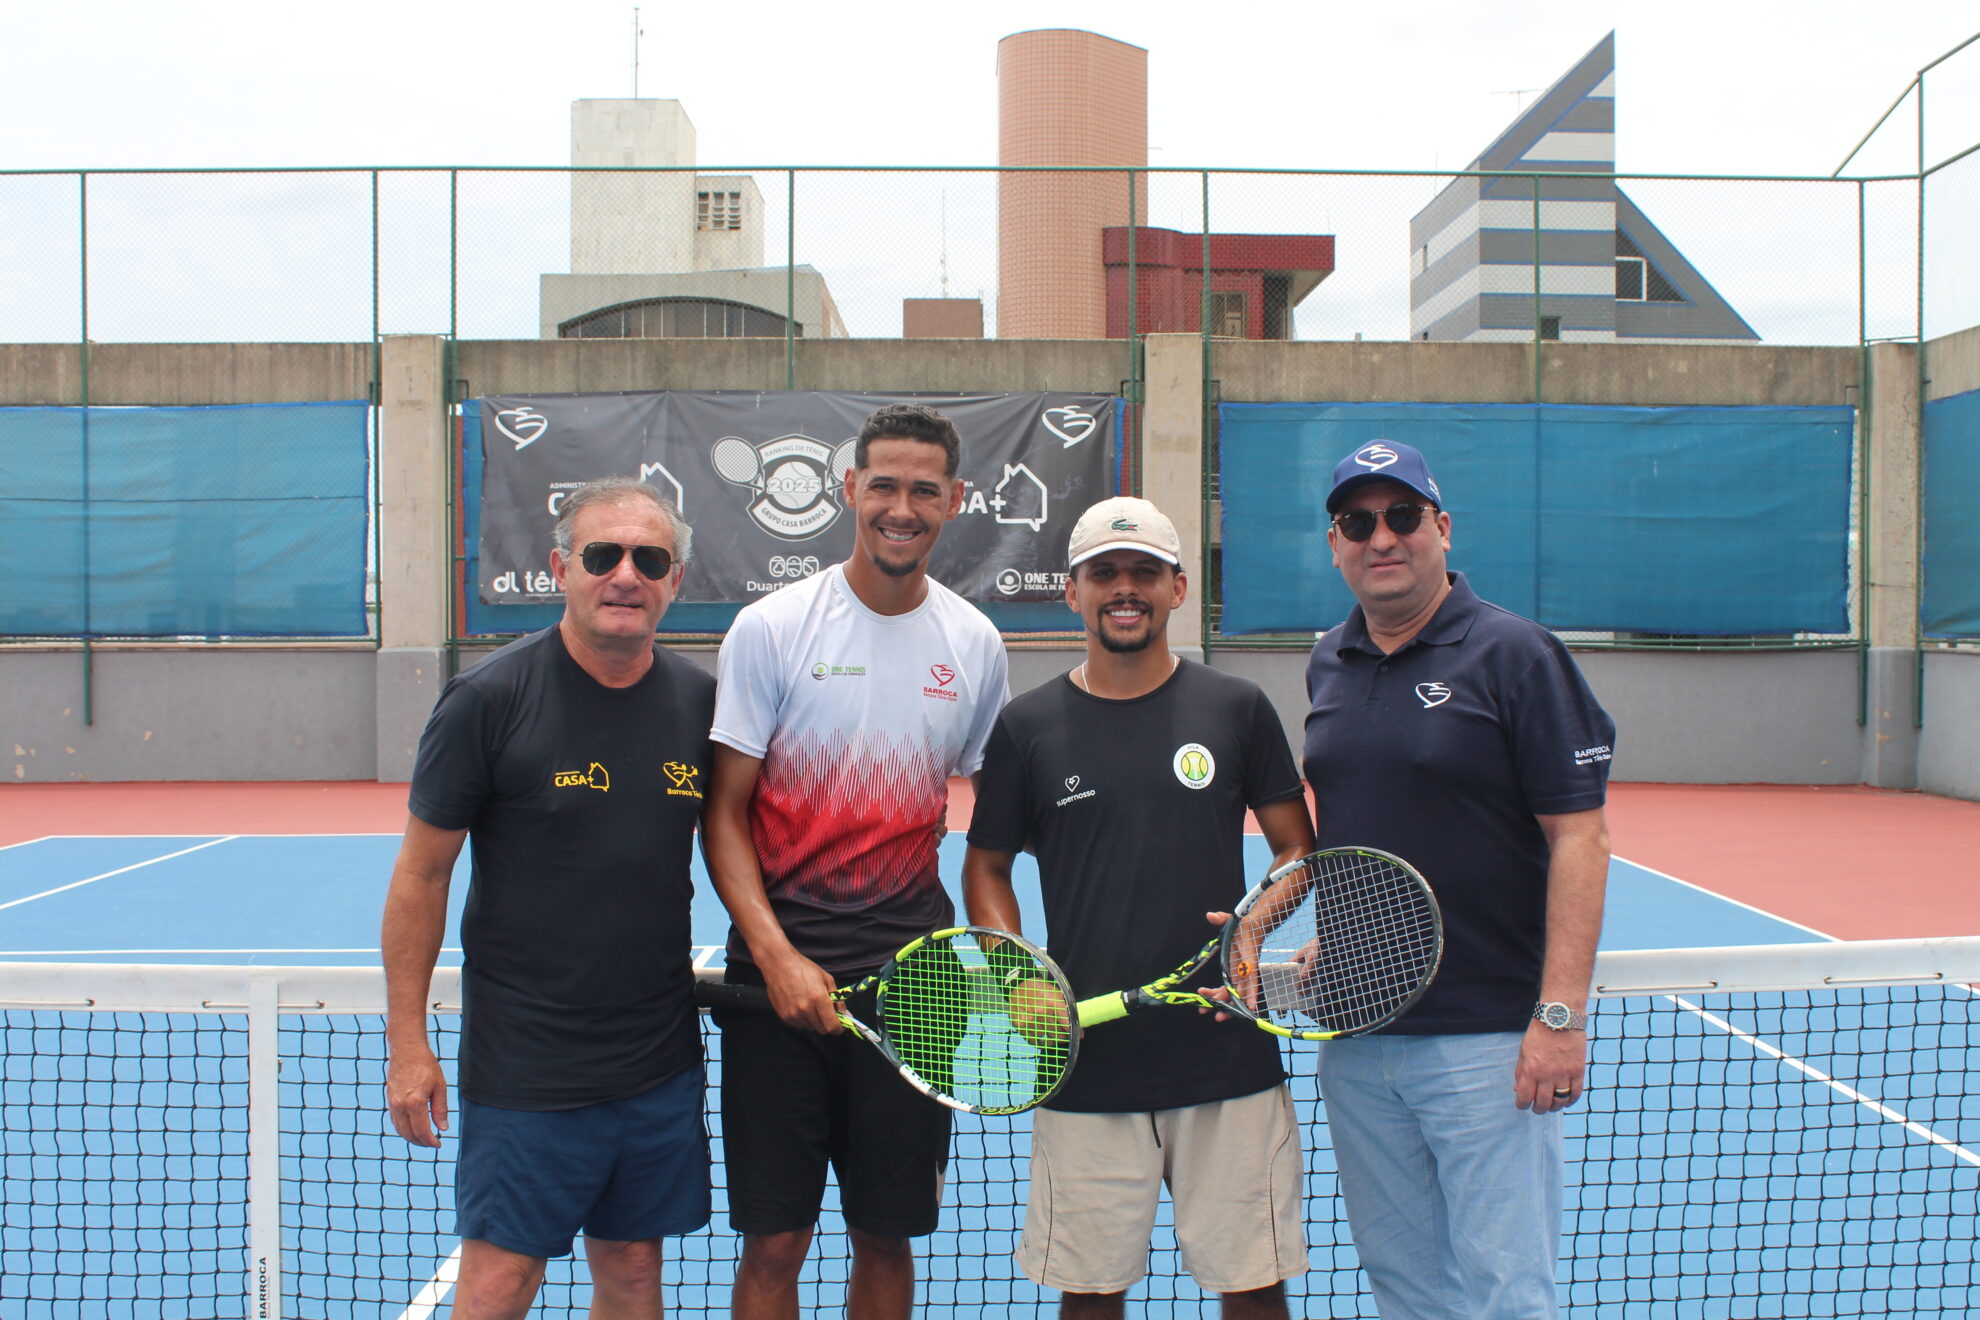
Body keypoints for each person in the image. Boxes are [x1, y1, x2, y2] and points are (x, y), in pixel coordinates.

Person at [963, 496, 1317, 1320]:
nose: (1125, 589)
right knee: (1090, 1299)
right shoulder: (1026, 727)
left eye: (1145, 573)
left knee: (1255, 1290)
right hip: (1086, 1058)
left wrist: (1252, 928)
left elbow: (1297, 850)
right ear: (1073, 591)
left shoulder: (1236, 708)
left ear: (1177, 588)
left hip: (1226, 1053)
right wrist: (1019, 974)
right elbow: (986, 867)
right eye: (1105, 574)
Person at [703, 402, 1010, 1320]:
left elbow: (991, 827)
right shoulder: (771, 628)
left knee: (885, 1237)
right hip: (772, 996)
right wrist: (778, 959)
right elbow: (723, 814)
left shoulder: (975, 644)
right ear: (849, 490)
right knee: (775, 1244)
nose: (900, 508)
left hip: (915, 993)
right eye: (883, 486)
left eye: (924, 490)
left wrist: (999, 960)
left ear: (955, 499)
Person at [381, 476, 715, 1320]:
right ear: (562, 569)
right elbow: (421, 875)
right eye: (603, 556)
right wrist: (408, 1044)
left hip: (658, 1054)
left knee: (634, 1270)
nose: (626, 576)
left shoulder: (700, 702)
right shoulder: (487, 701)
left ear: (675, 580)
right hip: (527, 1061)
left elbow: (748, 840)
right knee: (500, 1281)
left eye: (650, 560)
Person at [1302, 440, 1615, 1319]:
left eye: (1402, 516)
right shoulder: (1329, 659)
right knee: (1404, 1286)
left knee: (1505, 1292)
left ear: (1441, 528)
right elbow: (1366, 819)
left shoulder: (1517, 653)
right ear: (1335, 545)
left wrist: (1559, 1016)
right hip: (1358, 1036)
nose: (1381, 538)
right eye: (1358, 523)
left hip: (1485, 1042)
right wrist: (1336, 933)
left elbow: (1581, 838)